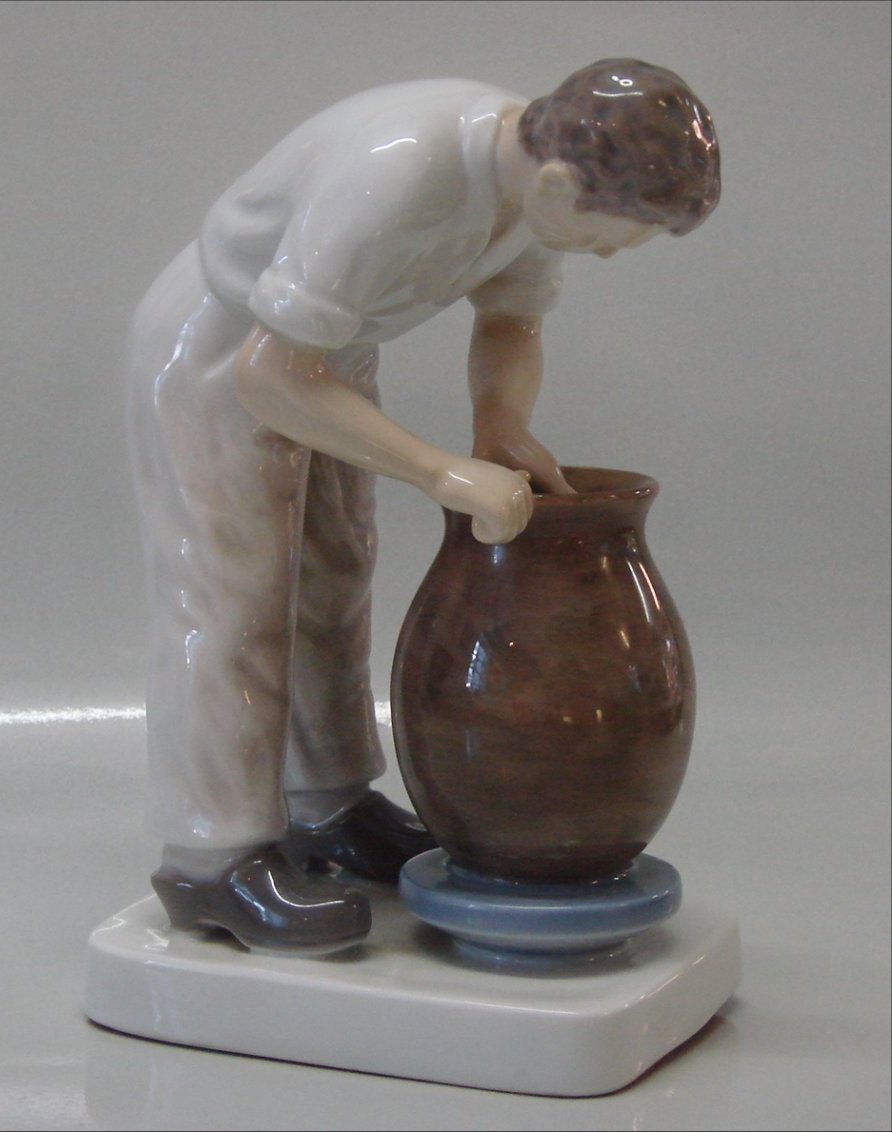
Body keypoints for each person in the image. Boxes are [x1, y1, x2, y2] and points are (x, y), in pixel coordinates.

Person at [128, 59, 720, 953]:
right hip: (220, 353)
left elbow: (512, 323)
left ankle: (326, 805)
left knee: (335, 578)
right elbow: (269, 372)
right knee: (234, 596)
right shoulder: (400, 174)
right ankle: (210, 858)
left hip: (326, 357)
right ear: (561, 187)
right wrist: (440, 471)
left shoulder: (534, 192)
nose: (608, 255)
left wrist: (500, 425)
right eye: (615, 238)